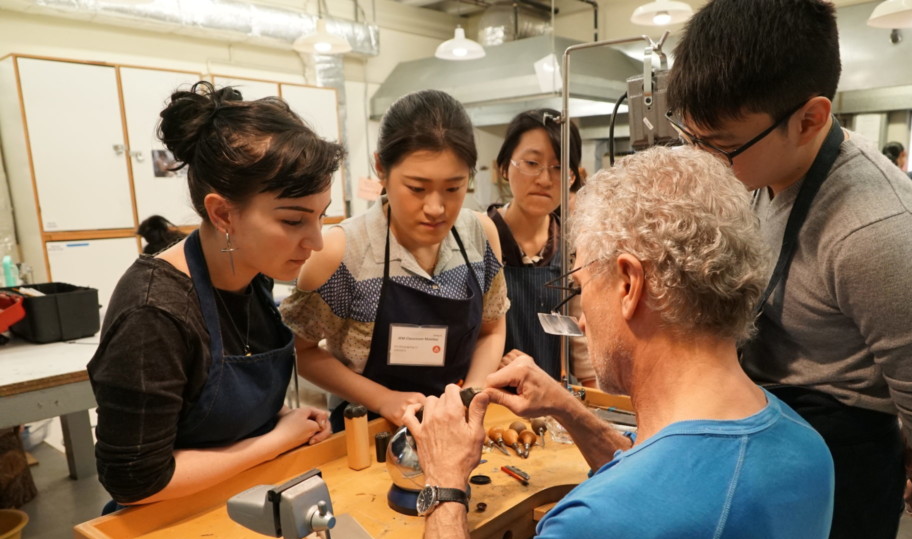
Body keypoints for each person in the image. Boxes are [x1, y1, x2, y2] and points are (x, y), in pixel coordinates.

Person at [407, 146, 835, 539]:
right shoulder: (806, 448)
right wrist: (571, 411)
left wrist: (444, 485)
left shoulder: (605, 530)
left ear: (630, 285)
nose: (581, 316)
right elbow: (677, 482)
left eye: (582, 289)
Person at [666, 2, 912, 539]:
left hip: (840, 469)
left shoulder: (873, 230)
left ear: (811, 117)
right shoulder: (762, 178)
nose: (705, 160)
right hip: (771, 445)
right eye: (692, 137)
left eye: (719, 145)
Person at [88, 82, 341, 506]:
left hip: (242, 497)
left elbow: (201, 414)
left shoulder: (254, 277)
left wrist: (286, 418)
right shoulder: (154, 313)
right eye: (294, 221)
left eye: (320, 217)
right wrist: (277, 439)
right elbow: (135, 482)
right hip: (165, 522)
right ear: (222, 213)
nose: (316, 242)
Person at [280, 90, 508, 431]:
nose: (436, 208)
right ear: (381, 169)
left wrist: (469, 397)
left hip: (455, 421)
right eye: (417, 188)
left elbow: (492, 329)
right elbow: (303, 351)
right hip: (368, 430)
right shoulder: (342, 253)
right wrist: (382, 399)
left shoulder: (480, 234)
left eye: (453, 188)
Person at [488, 109, 594, 384]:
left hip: (551, 400)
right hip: (490, 395)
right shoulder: (479, 239)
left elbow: (580, 341)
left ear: (573, 176)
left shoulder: (571, 245)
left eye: (559, 167)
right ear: (503, 167)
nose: (545, 179)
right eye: (532, 163)